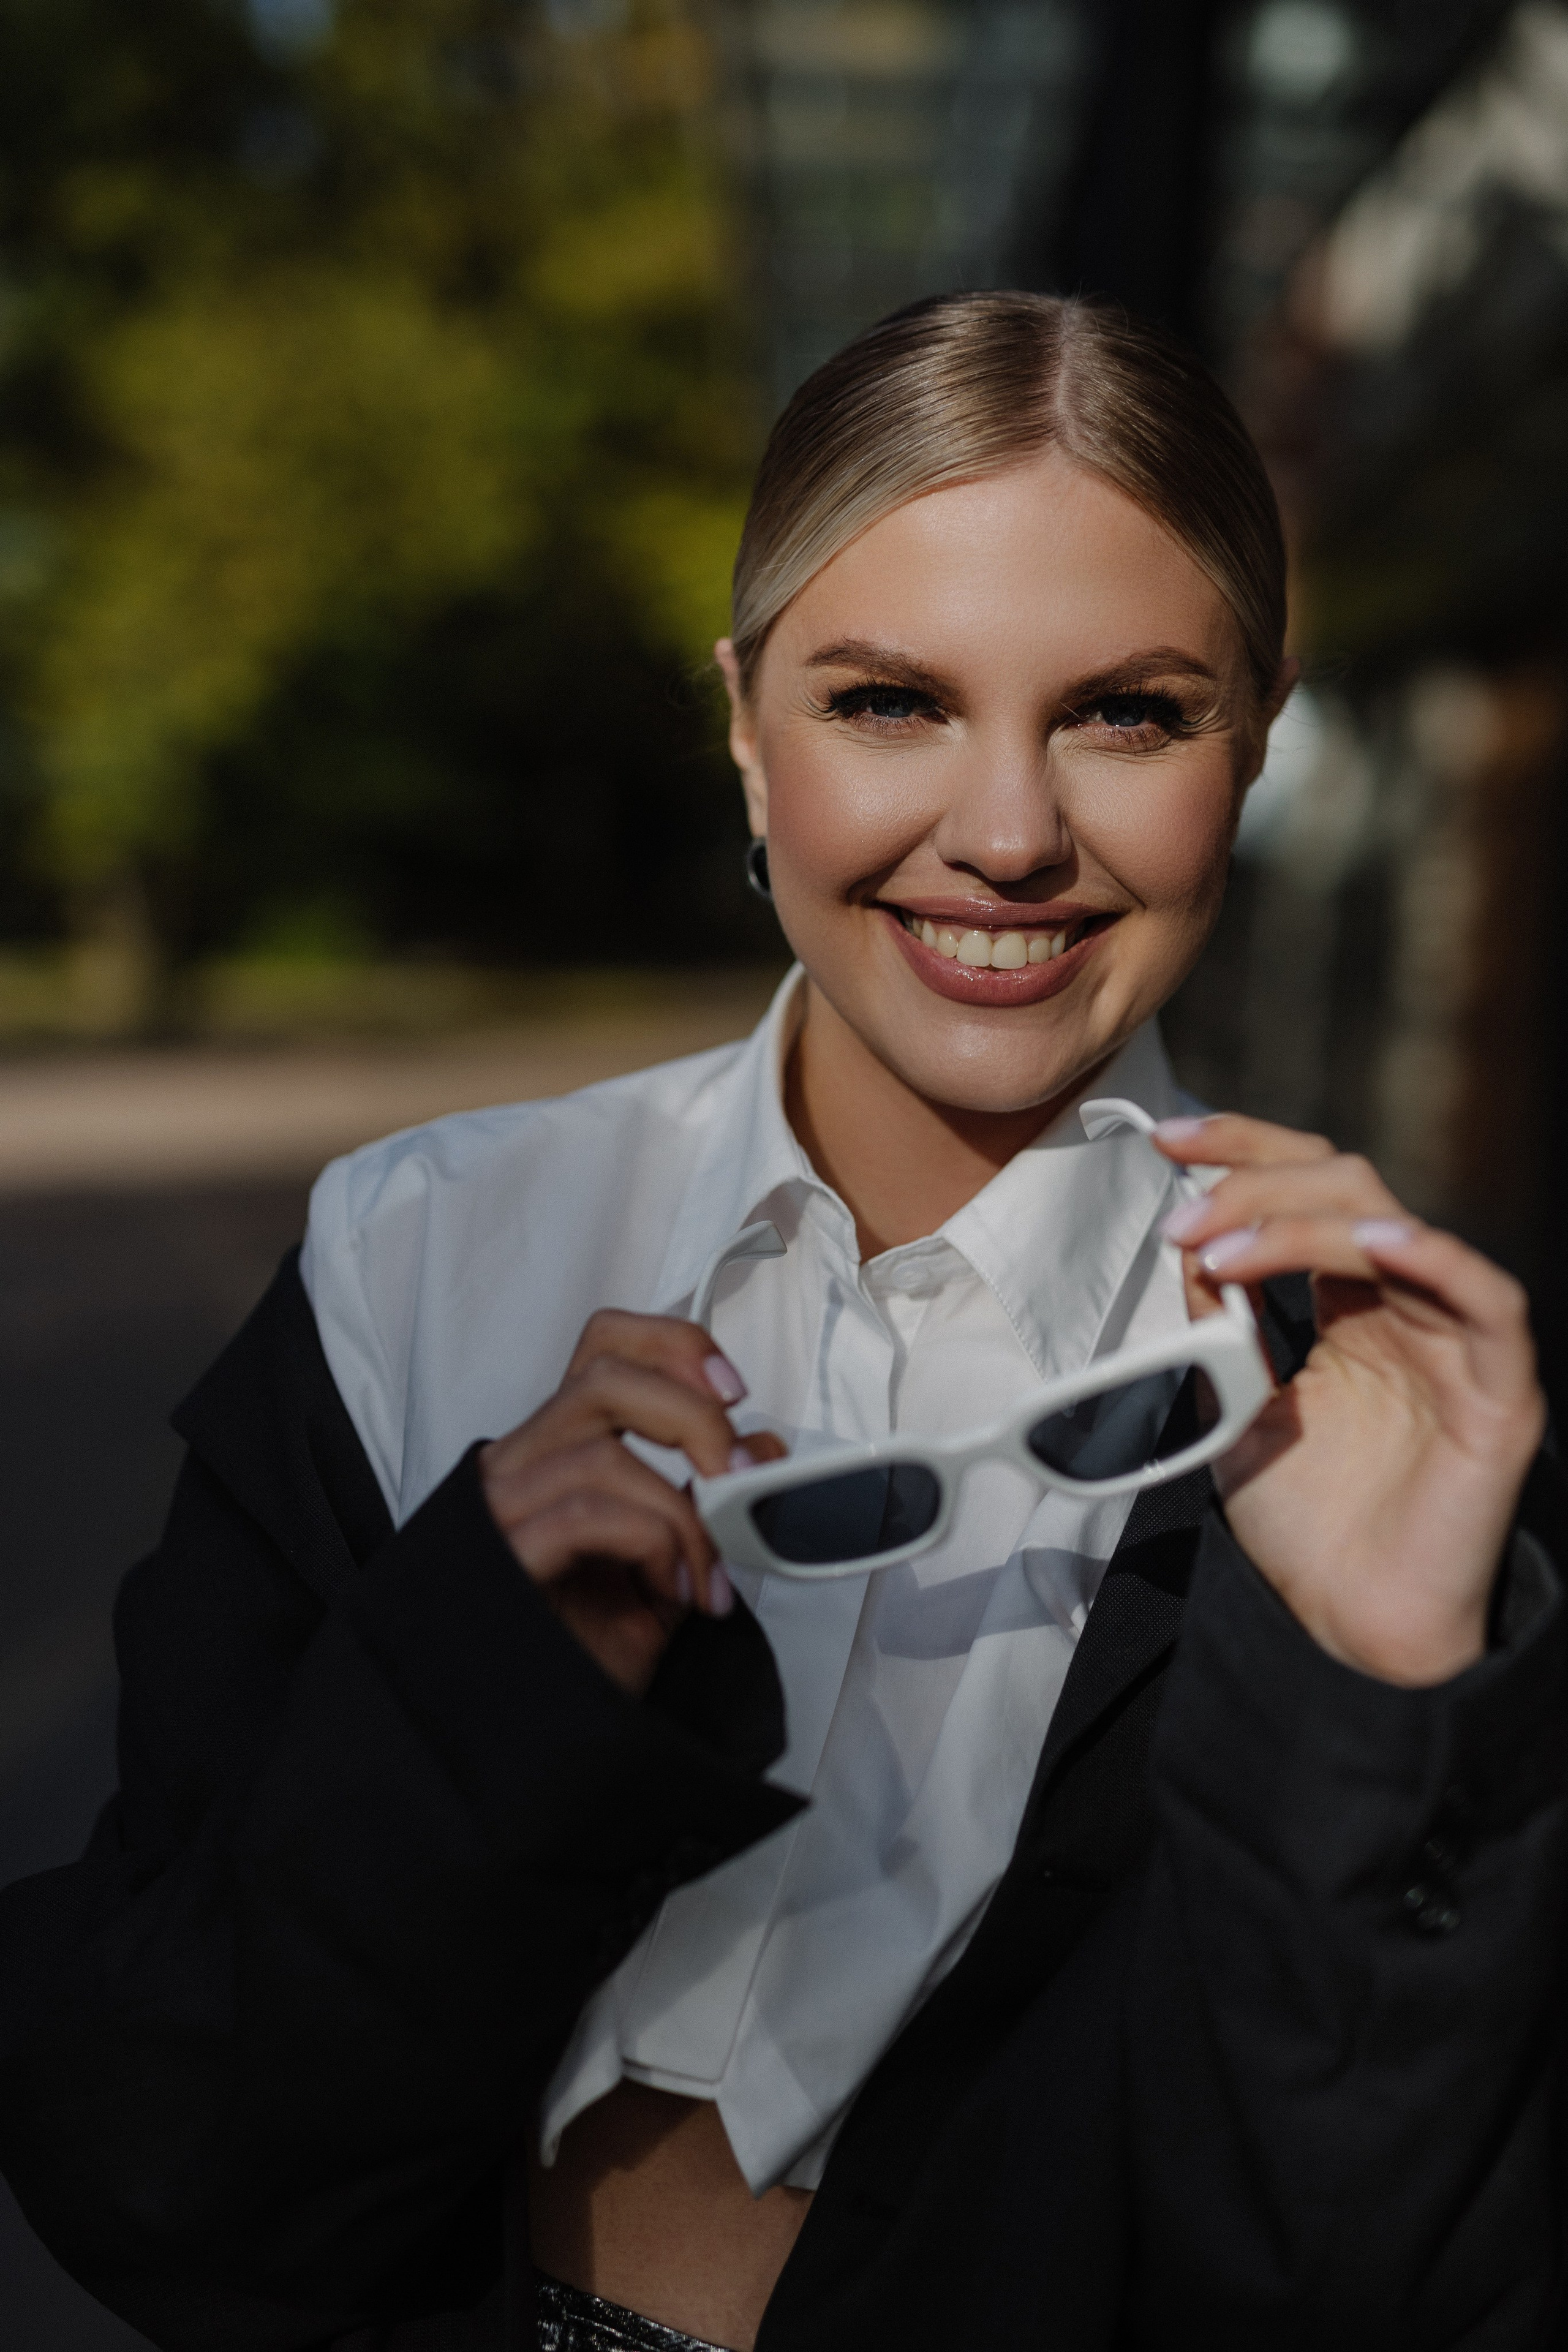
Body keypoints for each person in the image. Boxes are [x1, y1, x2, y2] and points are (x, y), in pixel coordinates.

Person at [0, 292, 1561, 2352]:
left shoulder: (1387, 1393)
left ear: (1253, 744)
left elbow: (1373, 2288)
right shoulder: (425, 1253)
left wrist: (1376, 1699)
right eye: (891, 700)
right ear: (745, 722)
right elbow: (168, 2175)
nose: (1007, 833)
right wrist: (483, 1685)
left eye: (1128, 712)